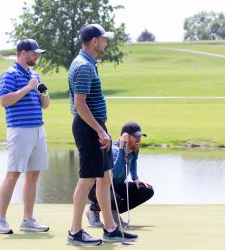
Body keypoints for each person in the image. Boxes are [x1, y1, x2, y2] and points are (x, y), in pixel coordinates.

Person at [67, 24, 138, 246]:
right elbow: (80, 105)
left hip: (96, 127)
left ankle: (110, 228)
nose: (107, 43)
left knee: (104, 178)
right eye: (104, 39)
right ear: (95, 41)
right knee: (86, 180)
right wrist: (99, 130)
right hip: (89, 129)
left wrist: (102, 129)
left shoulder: (89, 63)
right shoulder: (83, 66)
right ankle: (75, 232)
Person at [0, 39, 50, 234]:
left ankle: (28, 219)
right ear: (23, 53)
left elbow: (45, 105)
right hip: (19, 130)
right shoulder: (9, 74)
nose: (37, 56)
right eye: (34, 53)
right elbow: (4, 100)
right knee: (13, 174)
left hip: (38, 129)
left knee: (33, 174)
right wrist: (27, 87)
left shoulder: (34, 75)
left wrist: (43, 92)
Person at [86, 122, 154, 227]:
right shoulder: (114, 150)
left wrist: (135, 178)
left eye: (140, 136)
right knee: (115, 200)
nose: (139, 139)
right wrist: (122, 149)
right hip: (97, 188)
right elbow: (116, 174)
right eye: (136, 136)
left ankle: (114, 213)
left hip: (115, 186)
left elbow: (134, 160)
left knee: (147, 190)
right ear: (125, 136)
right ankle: (94, 208)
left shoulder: (134, 148)